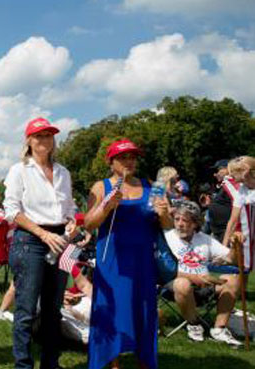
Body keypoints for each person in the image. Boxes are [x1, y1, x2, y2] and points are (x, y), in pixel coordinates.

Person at [84, 139, 173, 369]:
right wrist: (106, 206)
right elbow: (88, 224)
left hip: (143, 261)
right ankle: (112, 362)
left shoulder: (151, 186)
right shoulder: (101, 186)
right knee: (113, 309)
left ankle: (144, 359)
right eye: (123, 157)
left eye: (133, 157)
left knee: (143, 310)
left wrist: (163, 213)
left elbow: (167, 225)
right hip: (113, 261)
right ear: (111, 162)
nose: (129, 161)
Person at [4, 117, 77, 369]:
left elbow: (69, 206)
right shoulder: (19, 170)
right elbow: (11, 211)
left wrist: (71, 221)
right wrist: (43, 234)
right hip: (30, 241)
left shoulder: (63, 172)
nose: (45, 139)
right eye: (39, 136)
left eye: (48, 135)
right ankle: (23, 365)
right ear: (29, 141)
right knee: (25, 310)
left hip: (60, 241)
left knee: (53, 310)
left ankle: (50, 363)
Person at [163, 200, 242, 346]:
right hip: (175, 288)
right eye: (177, 219)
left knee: (233, 279)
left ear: (195, 223)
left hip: (205, 287)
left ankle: (219, 329)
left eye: (185, 220)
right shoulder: (167, 239)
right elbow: (164, 270)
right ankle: (194, 324)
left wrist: (235, 246)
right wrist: (194, 278)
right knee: (182, 284)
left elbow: (231, 259)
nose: (179, 224)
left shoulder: (205, 240)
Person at [223, 156, 255, 272]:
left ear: (244, 171)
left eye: (233, 173)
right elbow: (233, 220)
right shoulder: (242, 190)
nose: (230, 176)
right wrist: (223, 248)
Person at [208, 159, 237, 242]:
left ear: (227, 169)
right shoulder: (223, 185)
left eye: (218, 170)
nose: (215, 174)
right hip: (218, 232)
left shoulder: (232, 184)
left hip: (228, 231)